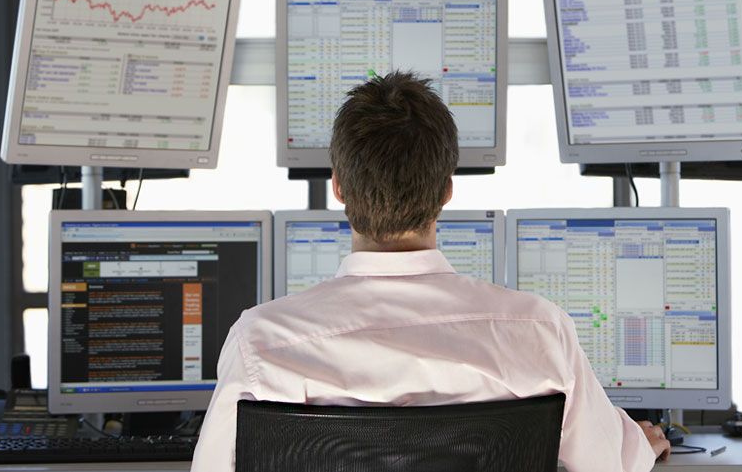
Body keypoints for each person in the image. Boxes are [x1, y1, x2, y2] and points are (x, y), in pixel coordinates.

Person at [190, 71, 670, 471]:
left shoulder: (260, 342)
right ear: (446, 190)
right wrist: (635, 446)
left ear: (337, 187)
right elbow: (606, 464)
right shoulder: (540, 332)